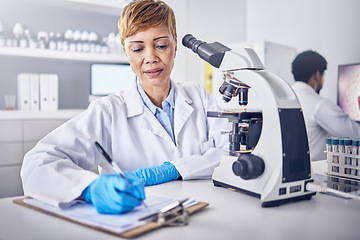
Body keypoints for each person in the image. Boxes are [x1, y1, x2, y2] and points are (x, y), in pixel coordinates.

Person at [20, 0, 228, 214]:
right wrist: (88, 188)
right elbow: (37, 164)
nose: (151, 58)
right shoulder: (107, 111)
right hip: (139, 222)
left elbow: (231, 153)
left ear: (175, 46)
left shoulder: (199, 97)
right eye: (138, 48)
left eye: (161, 45)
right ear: (126, 53)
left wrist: (173, 169)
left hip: (202, 215)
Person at [291, 50, 360, 161]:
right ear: (317, 75)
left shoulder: (286, 97)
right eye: (323, 75)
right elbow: (355, 134)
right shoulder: (318, 104)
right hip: (314, 175)